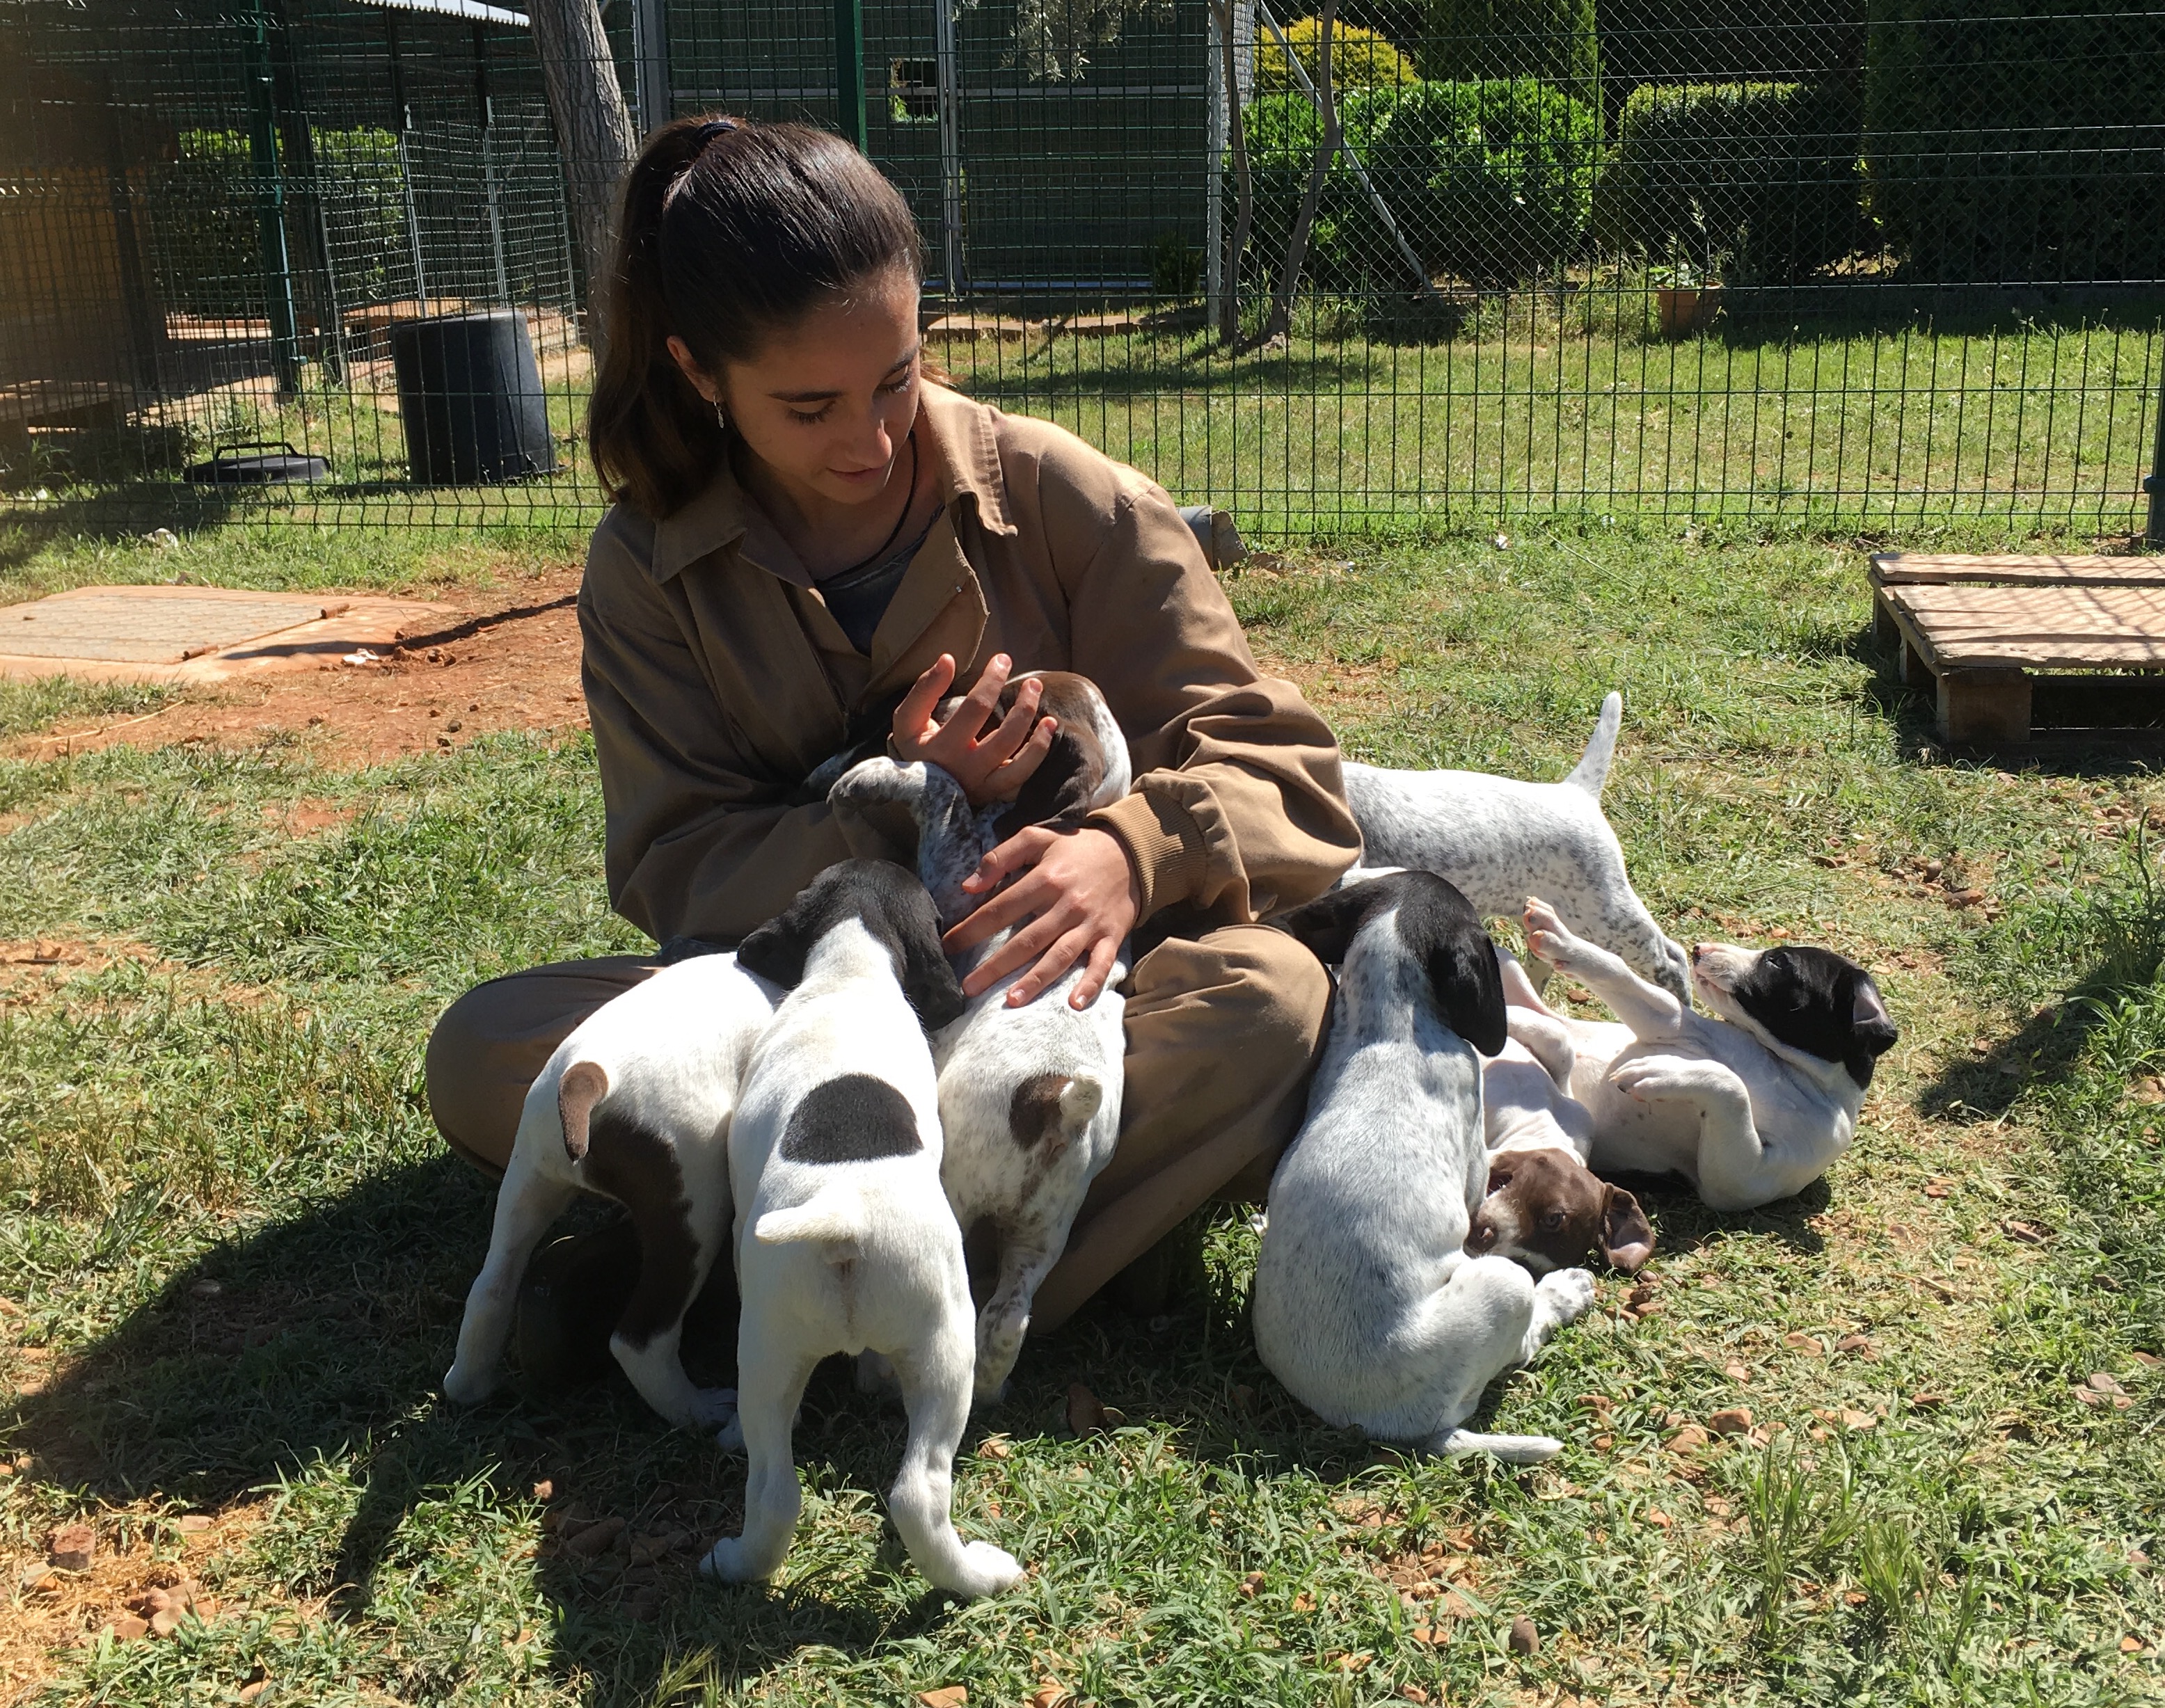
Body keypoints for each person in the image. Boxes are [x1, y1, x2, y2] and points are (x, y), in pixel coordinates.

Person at [424, 114, 1359, 1378]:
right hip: (802, 1003)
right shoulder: (647, 567)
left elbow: (1290, 773)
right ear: (700, 372)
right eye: (809, 407)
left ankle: (757, 1290)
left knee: (1270, 1001)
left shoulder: (1066, 499)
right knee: (490, 1049)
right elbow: (676, 863)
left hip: (1043, 1006)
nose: (868, 441)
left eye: (897, 378)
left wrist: (1130, 853)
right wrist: (904, 815)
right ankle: (1020, 1233)